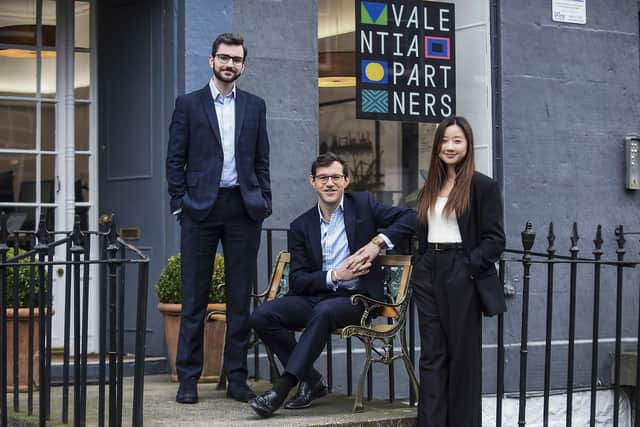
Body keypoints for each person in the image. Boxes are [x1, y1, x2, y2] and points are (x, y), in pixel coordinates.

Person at [248, 152, 416, 418]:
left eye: (336, 177)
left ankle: (283, 388)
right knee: (262, 316)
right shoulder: (301, 226)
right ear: (312, 182)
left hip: (358, 300)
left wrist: (376, 244)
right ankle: (312, 379)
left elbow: (411, 217)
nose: (329, 183)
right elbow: (298, 280)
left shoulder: (364, 205)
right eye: (323, 178)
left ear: (346, 180)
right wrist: (335, 275)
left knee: (325, 312)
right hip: (319, 296)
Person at [166, 33, 271, 404]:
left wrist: (264, 201)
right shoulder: (188, 105)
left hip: (243, 209)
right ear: (211, 60)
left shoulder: (255, 106)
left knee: (240, 299)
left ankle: (237, 377)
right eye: (224, 58)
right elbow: (174, 160)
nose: (229, 64)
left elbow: (262, 160)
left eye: (236, 59)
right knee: (194, 298)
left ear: (243, 65)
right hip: (200, 211)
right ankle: (189, 379)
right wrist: (180, 204)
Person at [411, 116, 506, 426]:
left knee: (462, 357)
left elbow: (496, 239)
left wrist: (468, 265)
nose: (449, 146)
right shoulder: (430, 185)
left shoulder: (482, 185)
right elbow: (422, 229)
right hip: (429, 270)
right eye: (444, 140)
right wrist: (419, 262)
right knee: (432, 354)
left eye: (457, 140)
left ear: (467, 145)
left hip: (460, 269)